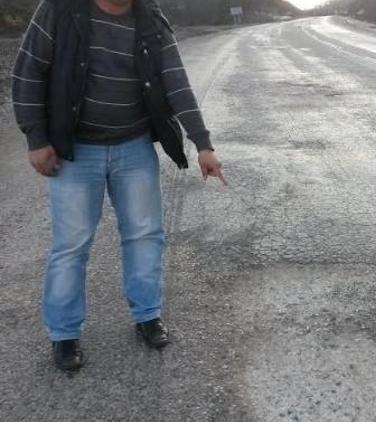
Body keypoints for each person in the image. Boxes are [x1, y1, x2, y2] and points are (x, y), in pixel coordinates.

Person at [11, 0, 226, 371]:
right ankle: (63, 334)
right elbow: (29, 72)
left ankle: (147, 315)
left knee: (145, 234)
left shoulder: (150, 17)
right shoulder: (60, 9)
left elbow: (175, 79)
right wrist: (36, 138)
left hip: (134, 146)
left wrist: (202, 143)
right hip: (75, 150)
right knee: (72, 245)